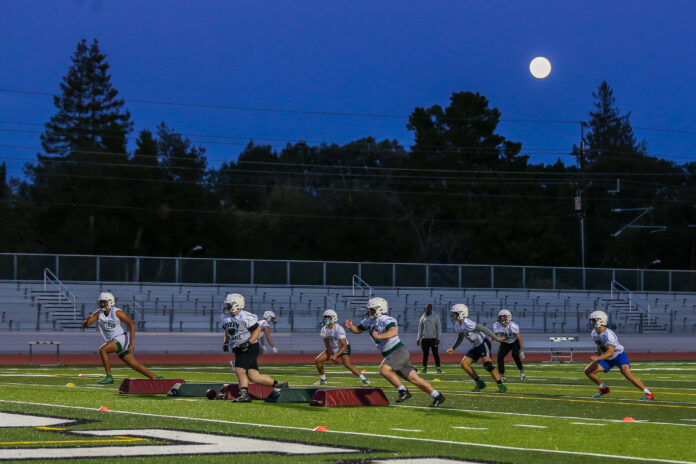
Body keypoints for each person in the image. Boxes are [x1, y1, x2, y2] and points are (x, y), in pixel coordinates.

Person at [345, 297, 446, 407]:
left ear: (380, 309)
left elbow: (393, 332)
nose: (370, 311)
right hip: (393, 353)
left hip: (397, 351)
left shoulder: (385, 319)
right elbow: (358, 330)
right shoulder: (368, 321)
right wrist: (351, 327)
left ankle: (403, 391)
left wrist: (379, 336)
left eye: (372, 309)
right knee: (414, 378)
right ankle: (437, 396)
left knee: (384, 369)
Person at [221, 293, 288, 402]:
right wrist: (225, 343)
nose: (227, 307)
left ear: (236, 304)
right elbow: (227, 331)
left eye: (229, 305)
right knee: (254, 376)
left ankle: (244, 394)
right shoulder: (225, 317)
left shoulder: (244, 316)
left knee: (239, 369)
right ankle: (280, 384)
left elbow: (257, 331)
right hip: (238, 348)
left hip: (249, 347)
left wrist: (248, 342)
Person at [81, 292, 158, 384]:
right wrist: (86, 321)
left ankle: (109, 376)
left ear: (110, 302)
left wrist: (132, 342)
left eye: (104, 302)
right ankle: (154, 378)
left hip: (121, 338)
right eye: (100, 302)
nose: (102, 304)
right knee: (133, 364)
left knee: (103, 350)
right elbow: (86, 325)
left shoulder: (116, 312)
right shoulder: (98, 314)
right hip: (115, 340)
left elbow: (131, 324)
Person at [584, 310, 654, 400]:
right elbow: (599, 345)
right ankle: (603, 388)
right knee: (588, 371)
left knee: (627, 374)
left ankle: (648, 394)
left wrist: (598, 358)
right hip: (606, 357)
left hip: (618, 355)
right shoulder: (594, 333)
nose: (592, 322)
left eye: (594, 320)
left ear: (601, 320)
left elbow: (611, 352)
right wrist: (598, 356)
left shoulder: (608, 335)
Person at [446, 304, 508, 393]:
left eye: (455, 313)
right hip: (476, 346)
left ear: (461, 313)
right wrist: (453, 348)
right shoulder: (457, 325)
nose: (453, 315)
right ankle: (480, 383)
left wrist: (496, 338)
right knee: (464, 364)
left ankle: (501, 385)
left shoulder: (468, 323)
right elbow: (460, 337)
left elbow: (484, 329)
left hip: (483, 344)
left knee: (488, 366)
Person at [314, 309, 370, 386]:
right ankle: (323, 380)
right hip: (333, 348)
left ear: (333, 318)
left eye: (328, 317)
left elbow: (344, 345)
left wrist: (336, 356)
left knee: (347, 363)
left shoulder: (338, 329)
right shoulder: (324, 329)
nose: (326, 319)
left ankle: (364, 379)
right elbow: (327, 343)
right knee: (318, 360)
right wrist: (331, 354)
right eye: (325, 317)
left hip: (343, 348)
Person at [492, 309, 526, 382]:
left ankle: (521, 371)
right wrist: (487, 345)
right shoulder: (497, 325)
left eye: (503, 317)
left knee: (515, 355)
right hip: (505, 342)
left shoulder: (513, 326)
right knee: (500, 356)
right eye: (500, 317)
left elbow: (520, 338)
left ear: (508, 317)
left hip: (514, 342)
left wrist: (522, 351)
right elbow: (493, 336)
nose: (501, 319)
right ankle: (501, 375)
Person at [416, 303, 442, 374]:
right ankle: (424, 367)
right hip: (425, 339)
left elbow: (439, 328)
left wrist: (438, 338)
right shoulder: (422, 317)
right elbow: (420, 329)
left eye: (429, 308)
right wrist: (418, 338)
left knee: (435, 354)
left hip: (433, 339)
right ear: (425, 308)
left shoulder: (436, 317)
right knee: (425, 354)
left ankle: (438, 367)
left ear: (431, 308)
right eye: (427, 308)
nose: (428, 309)